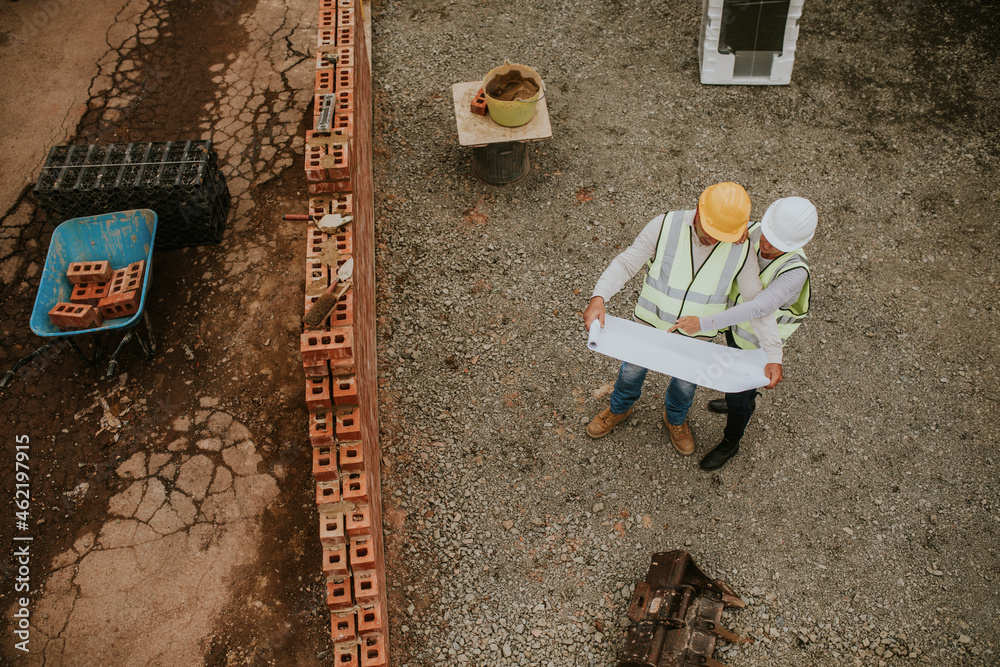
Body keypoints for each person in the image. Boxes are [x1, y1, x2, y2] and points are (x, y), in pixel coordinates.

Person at [583, 182, 783, 457]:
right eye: (711, 233)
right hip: (648, 325)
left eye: (721, 236)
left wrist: (773, 352)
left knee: (686, 384)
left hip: (696, 339)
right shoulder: (664, 225)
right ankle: (619, 408)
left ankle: (675, 419)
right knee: (631, 372)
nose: (713, 240)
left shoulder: (740, 247)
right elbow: (627, 263)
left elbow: (756, 304)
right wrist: (599, 297)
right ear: (699, 211)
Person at [667, 196, 815, 470]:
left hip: (757, 344)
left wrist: (703, 323)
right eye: (767, 236)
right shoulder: (758, 229)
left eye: (778, 245)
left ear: (796, 245)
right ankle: (743, 399)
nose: (766, 245)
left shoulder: (795, 274)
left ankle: (731, 442)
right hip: (734, 330)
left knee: (738, 397)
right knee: (736, 389)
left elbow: (758, 307)